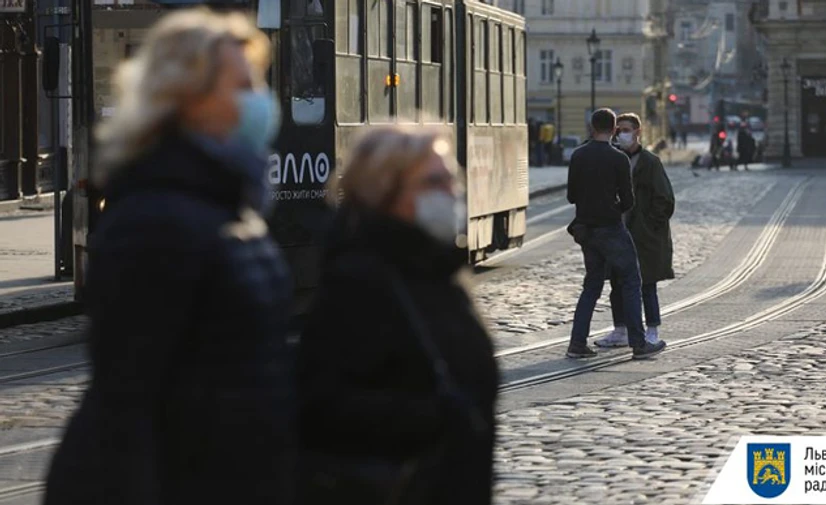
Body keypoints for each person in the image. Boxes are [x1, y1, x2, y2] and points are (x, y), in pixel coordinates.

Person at [43, 9, 296, 505]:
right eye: (242, 86)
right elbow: (130, 406)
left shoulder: (226, 203)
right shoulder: (157, 219)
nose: (260, 101)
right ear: (187, 98)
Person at [295, 126, 497, 505]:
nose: (451, 191)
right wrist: (431, 418)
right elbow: (321, 407)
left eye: (450, 178)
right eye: (433, 181)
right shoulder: (359, 282)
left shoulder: (441, 272)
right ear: (384, 192)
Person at [565, 108, 667, 360]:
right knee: (632, 281)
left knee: (591, 285)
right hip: (611, 228)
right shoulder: (618, 159)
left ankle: (577, 343)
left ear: (592, 127)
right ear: (613, 130)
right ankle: (638, 343)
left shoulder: (578, 155)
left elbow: (571, 196)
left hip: (586, 230)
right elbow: (628, 200)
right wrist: (613, 209)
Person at [596, 113, 676, 348]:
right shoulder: (613, 158)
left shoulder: (650, 162)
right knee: (617, 284)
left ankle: (652, 329)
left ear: (638, 132)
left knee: (647, 284)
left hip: (644, 235)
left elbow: (665, 200)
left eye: (627, 129)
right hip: (617, 232)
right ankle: (620, 330)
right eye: (618, 130)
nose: (622, 134)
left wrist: (648, 225)